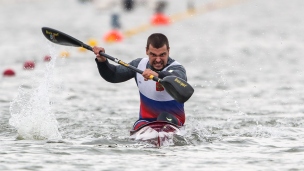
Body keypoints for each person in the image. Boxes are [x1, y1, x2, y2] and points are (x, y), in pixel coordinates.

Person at [92, 33, 187, 130]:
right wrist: (102, 61)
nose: (158, 60)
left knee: (163, 119)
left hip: (172, 121)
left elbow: (178, 78)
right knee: (137, 125)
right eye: (153, 55)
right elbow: (113, 76)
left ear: (168, 51)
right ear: (146, 51)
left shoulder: (177, 68)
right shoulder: (139, 65)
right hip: (145, 122)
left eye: (162, 55)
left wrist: (158, 75)